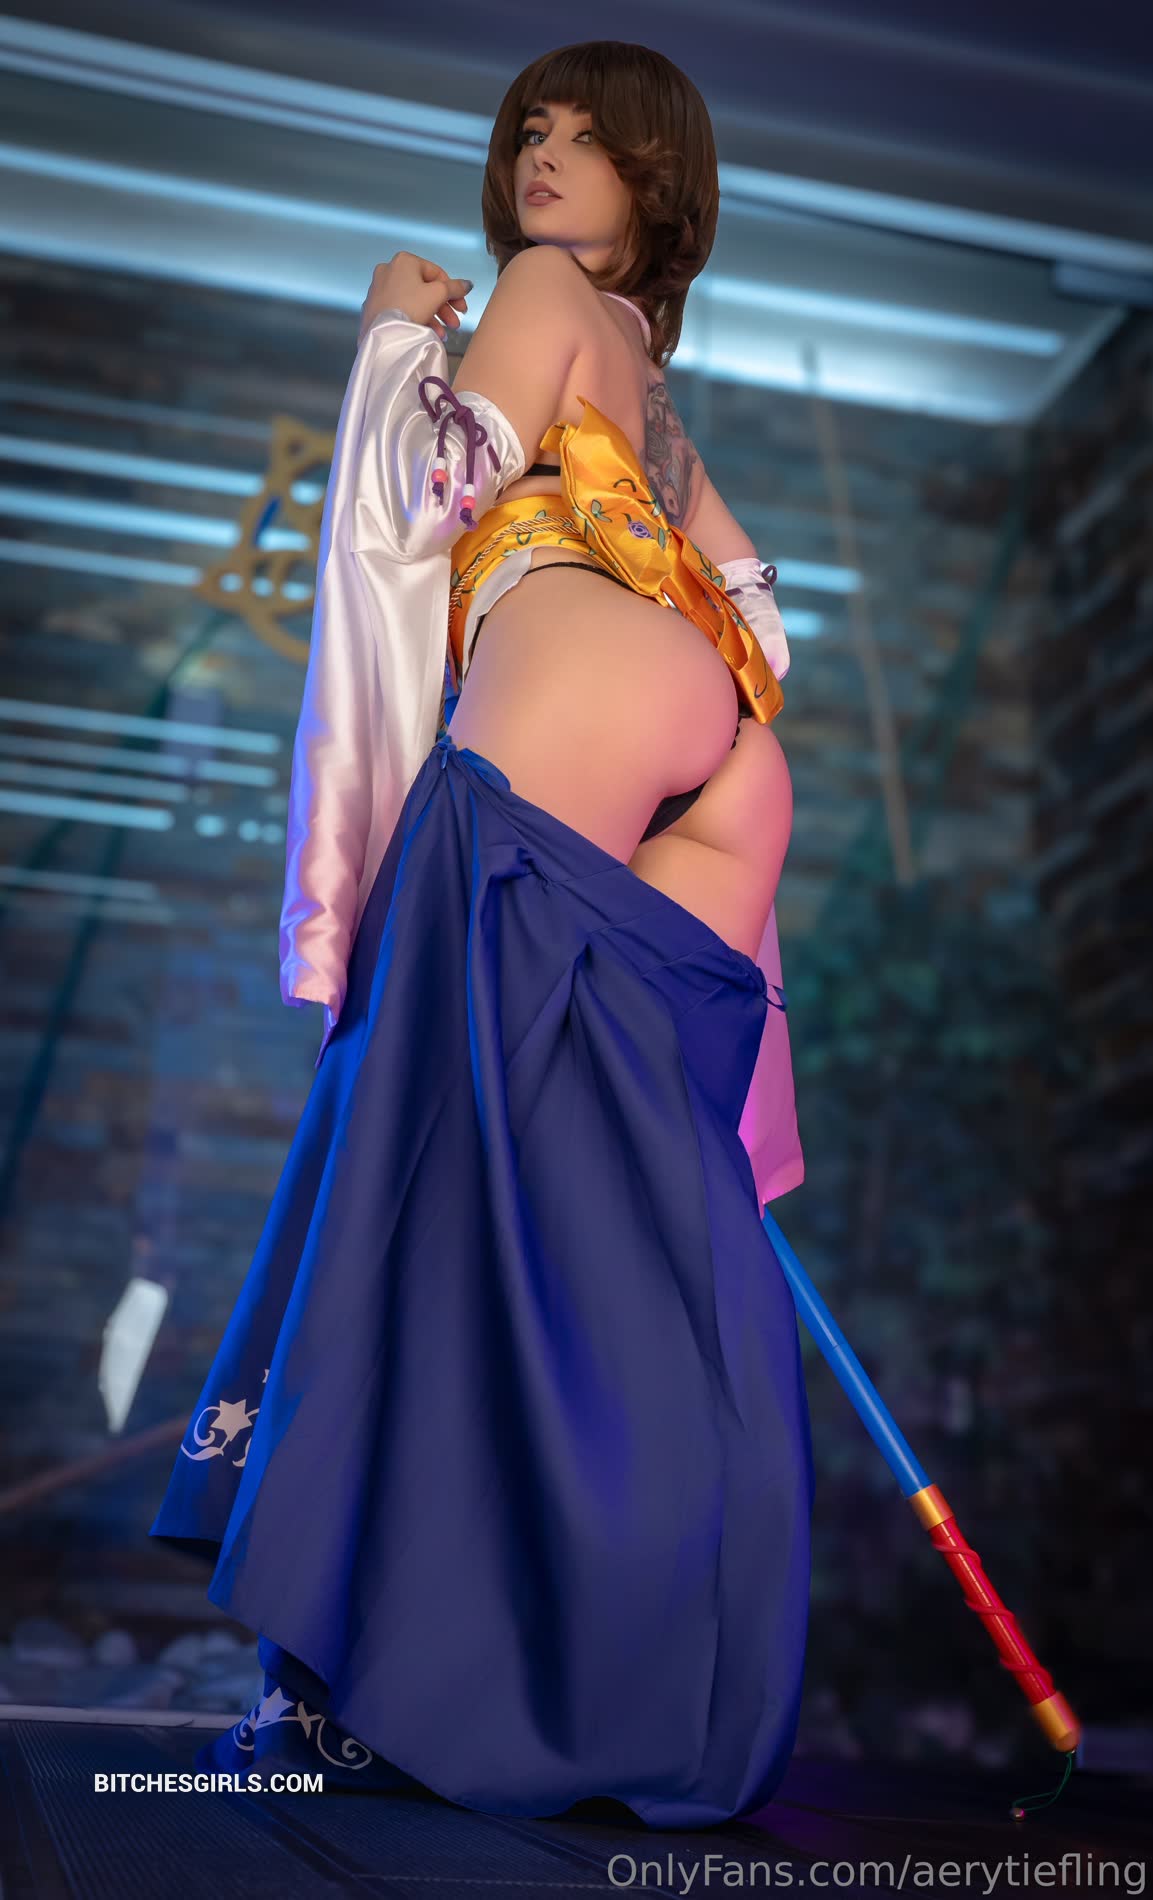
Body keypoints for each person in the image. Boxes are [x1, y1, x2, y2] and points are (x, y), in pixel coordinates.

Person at [150, 40, 814, 1829]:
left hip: (558, 716)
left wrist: (389, 330)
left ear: (656, 180)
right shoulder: (652, 395)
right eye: (532, 127)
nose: (544, 155)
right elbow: (763, 626)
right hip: (717, 766)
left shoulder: (533, 293)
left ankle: (359, 1684)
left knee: (432, 1185)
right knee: (634, 1221)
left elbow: (436, 478)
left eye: (592, 136)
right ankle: (640, 1678)